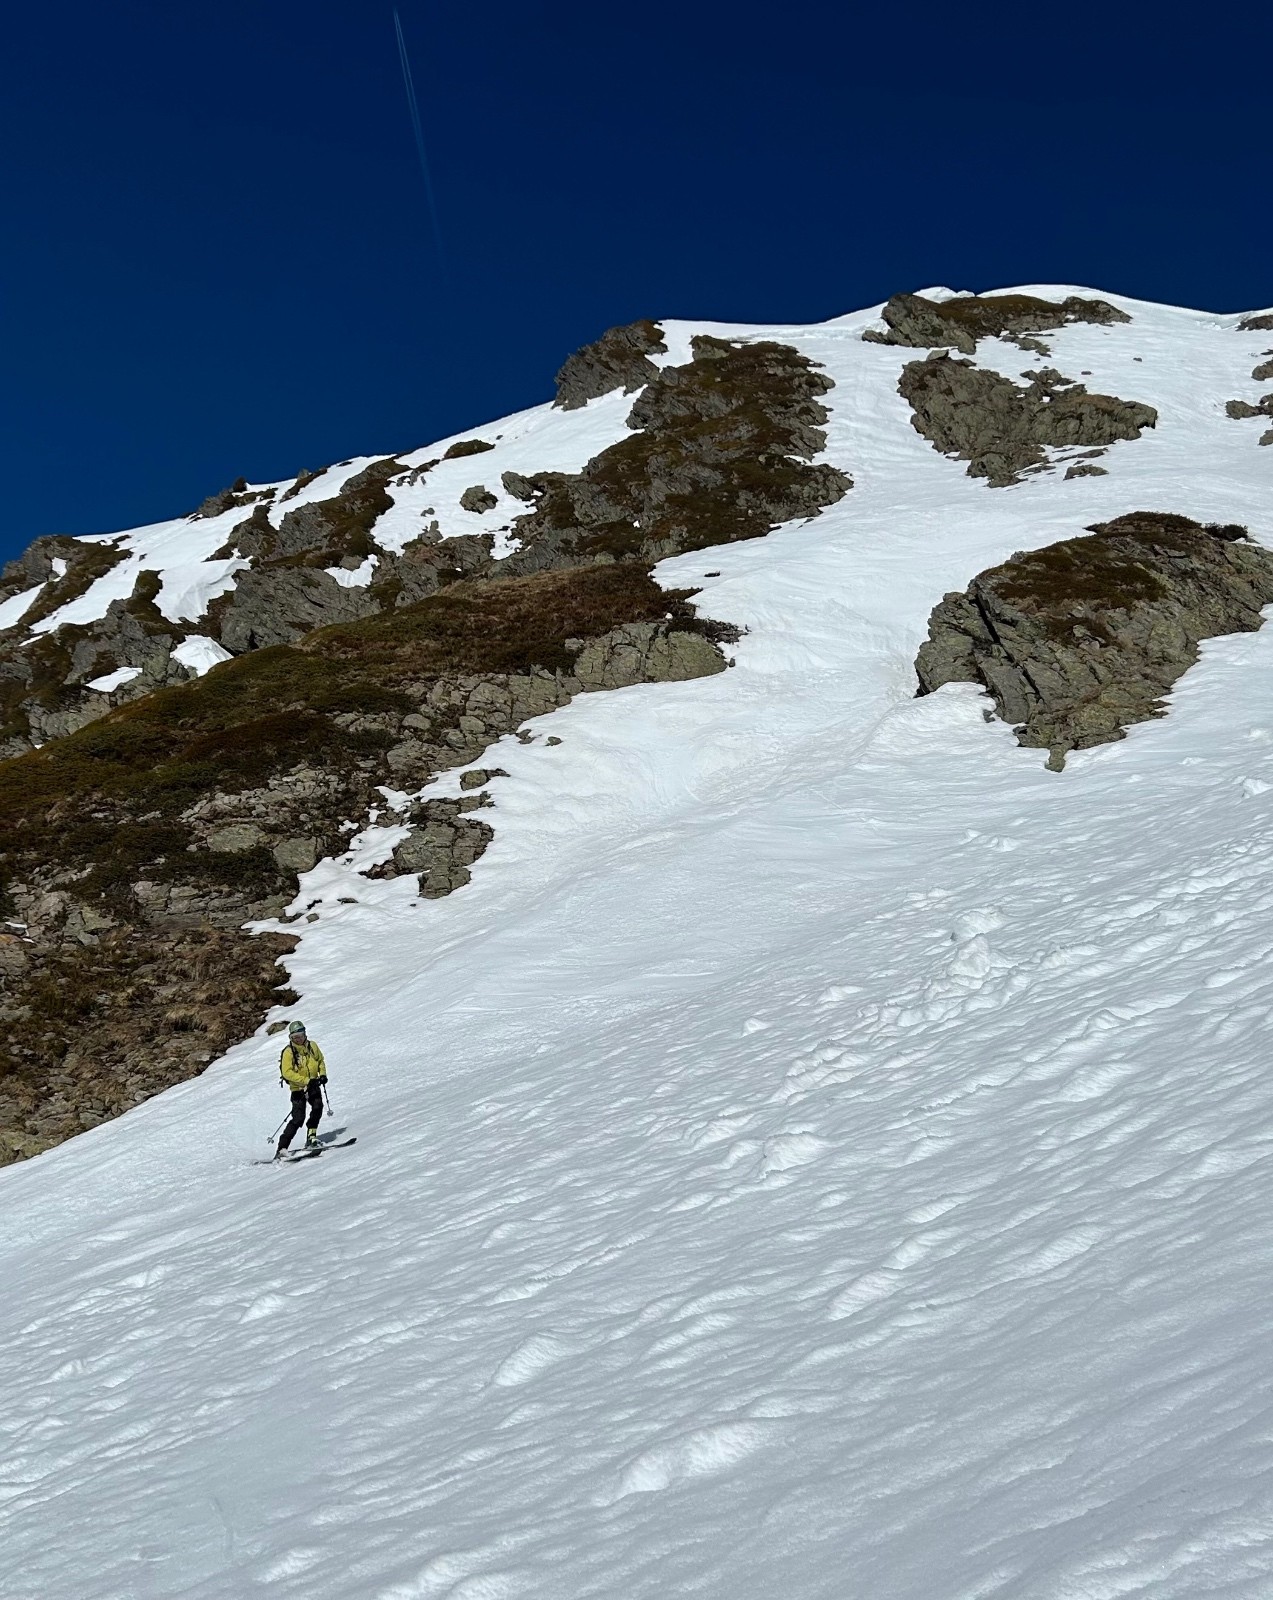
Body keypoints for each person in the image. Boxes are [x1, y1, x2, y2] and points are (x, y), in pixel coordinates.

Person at [276, 1020, 328, 1157]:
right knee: (298, 1118)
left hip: (313, 1085)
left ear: (305, 1034)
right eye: (295, 1037)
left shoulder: (312, 1046)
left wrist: (322, 1075)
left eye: (300, 1036)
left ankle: (311, 1137)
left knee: (317, 1107)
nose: (298, 1039)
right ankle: (282, 1148)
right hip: (298, 1089)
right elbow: (286, 1072)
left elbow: (320, 1060)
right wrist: (305, 1081)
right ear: (291, 1038)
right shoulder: (288, 1052)